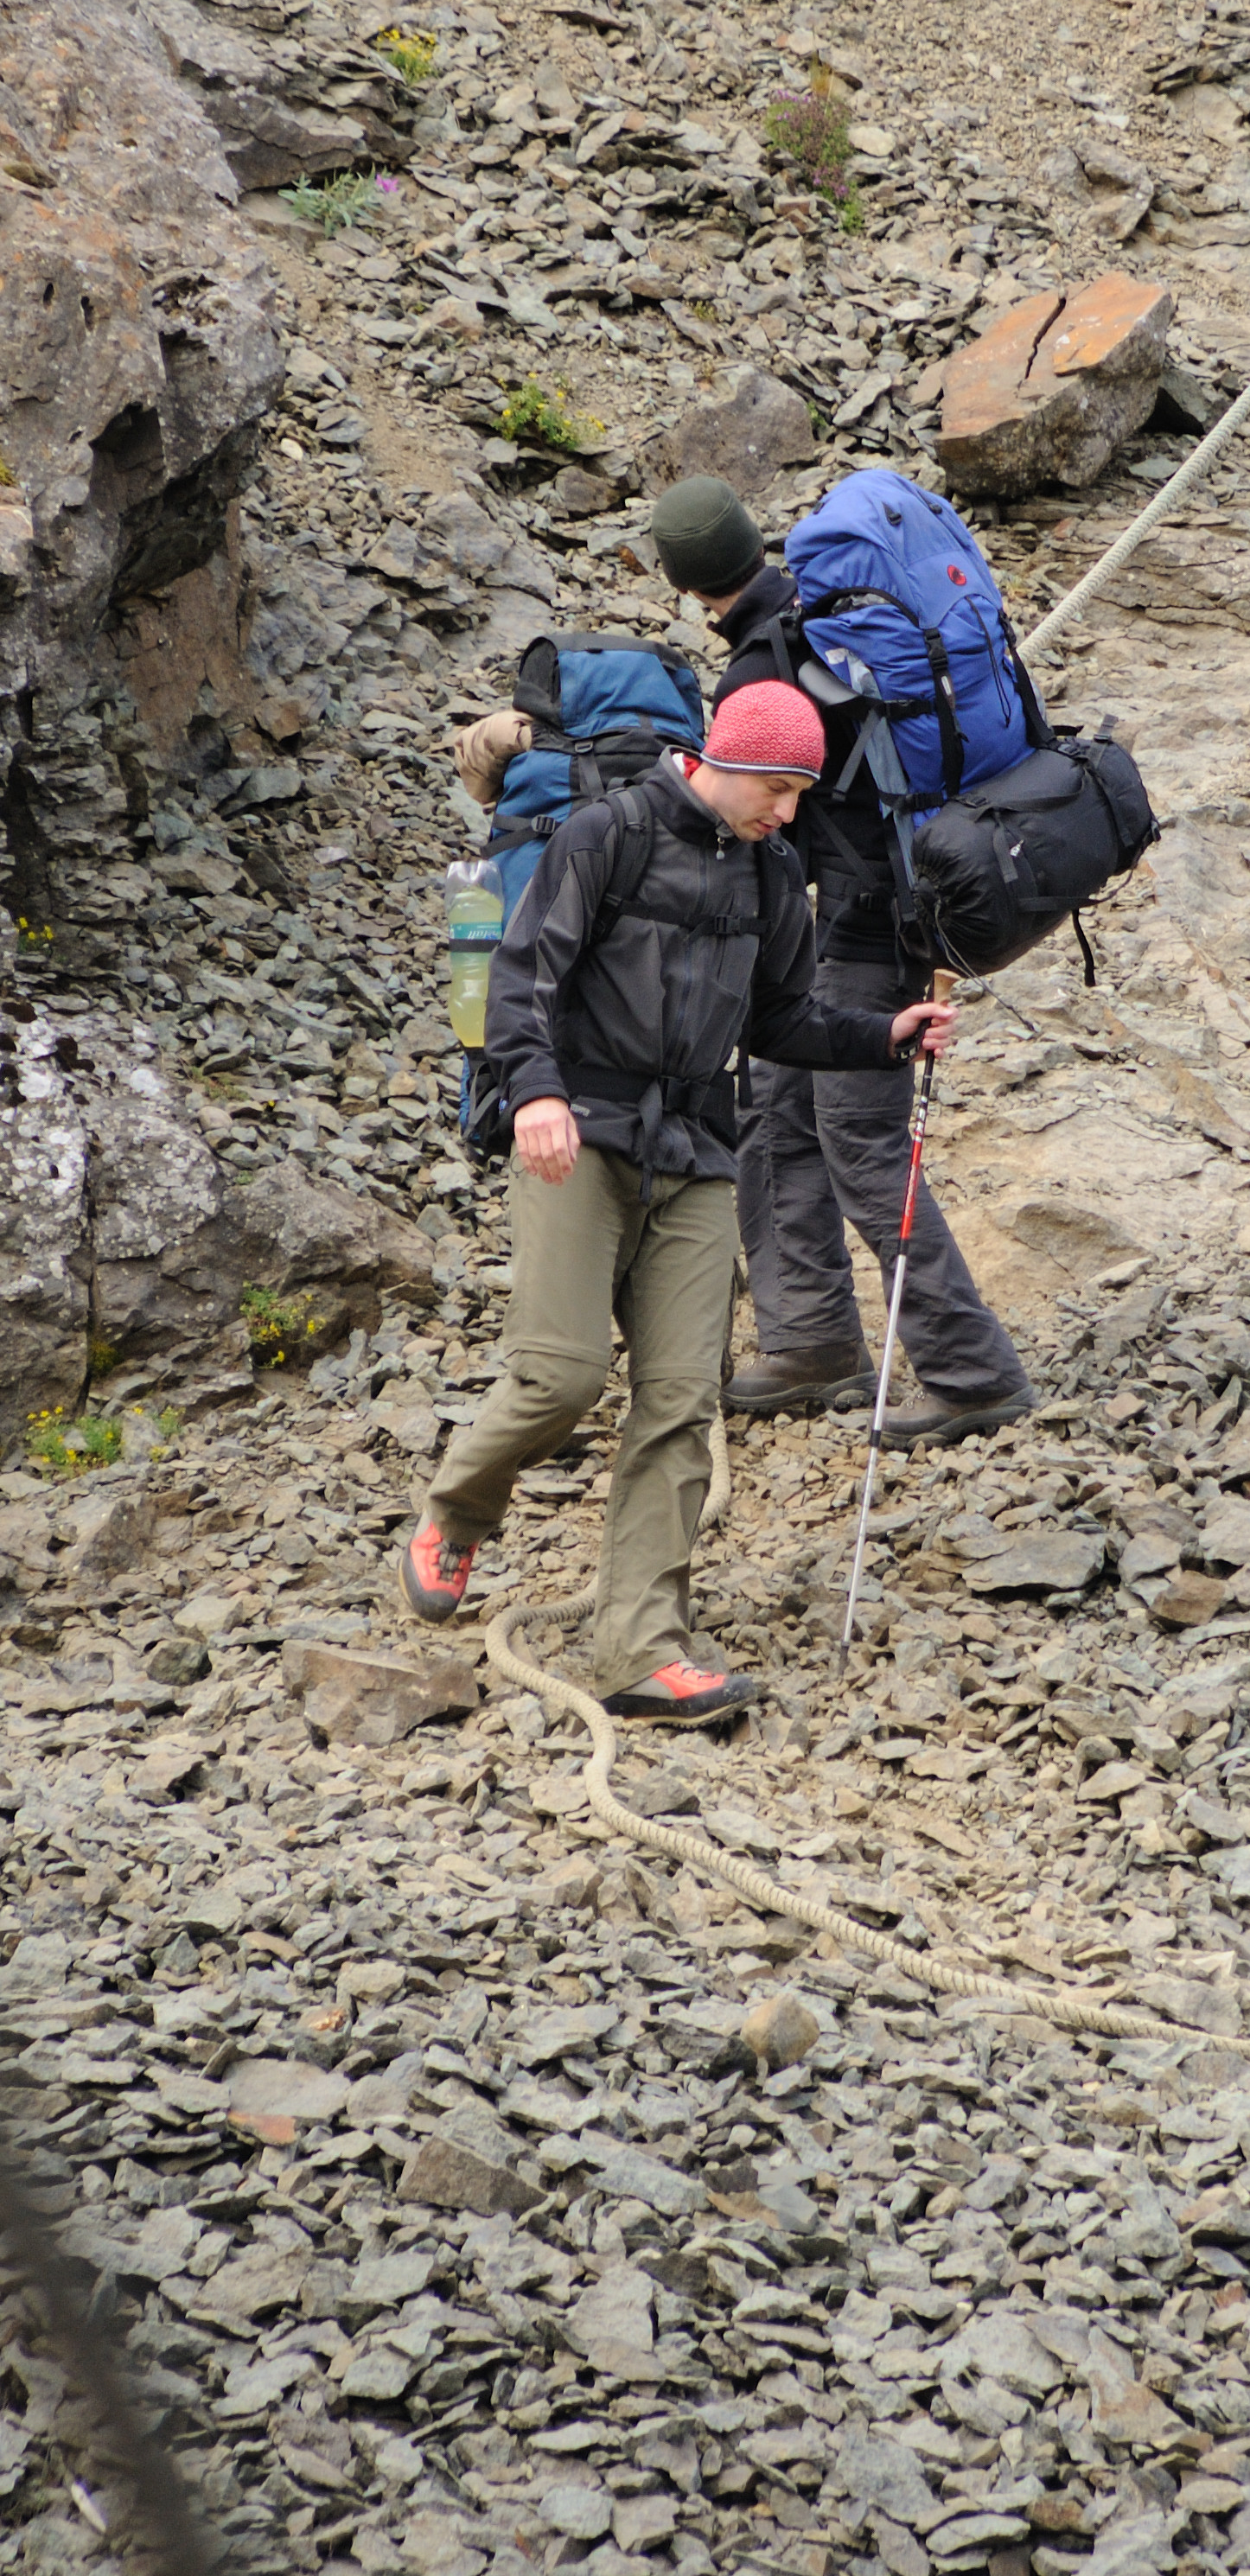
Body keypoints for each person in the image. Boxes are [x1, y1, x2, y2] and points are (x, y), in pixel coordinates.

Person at [399, 681, 952, 1725]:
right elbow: (522, 978)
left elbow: (782, 1020)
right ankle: (457, 1512)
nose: (788, 810)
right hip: (577, 1137)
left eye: (801, 792)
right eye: (778, 788)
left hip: (696, 1155)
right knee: (560, 1376)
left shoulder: (772, 871)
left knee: (681, 1403)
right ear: (723, 760)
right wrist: (537, 1093)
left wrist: (882, 1036)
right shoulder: (605, 835)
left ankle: (640, 1651)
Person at [647, 474, 1039, 1451]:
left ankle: (972, 1373)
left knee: (860, 1137)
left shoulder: (762, 671)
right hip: (869, 910)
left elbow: (744, 827)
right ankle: (811, 1340)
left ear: (686, 585)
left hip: (864, 923)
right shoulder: (835, 616)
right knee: (776, 1108)